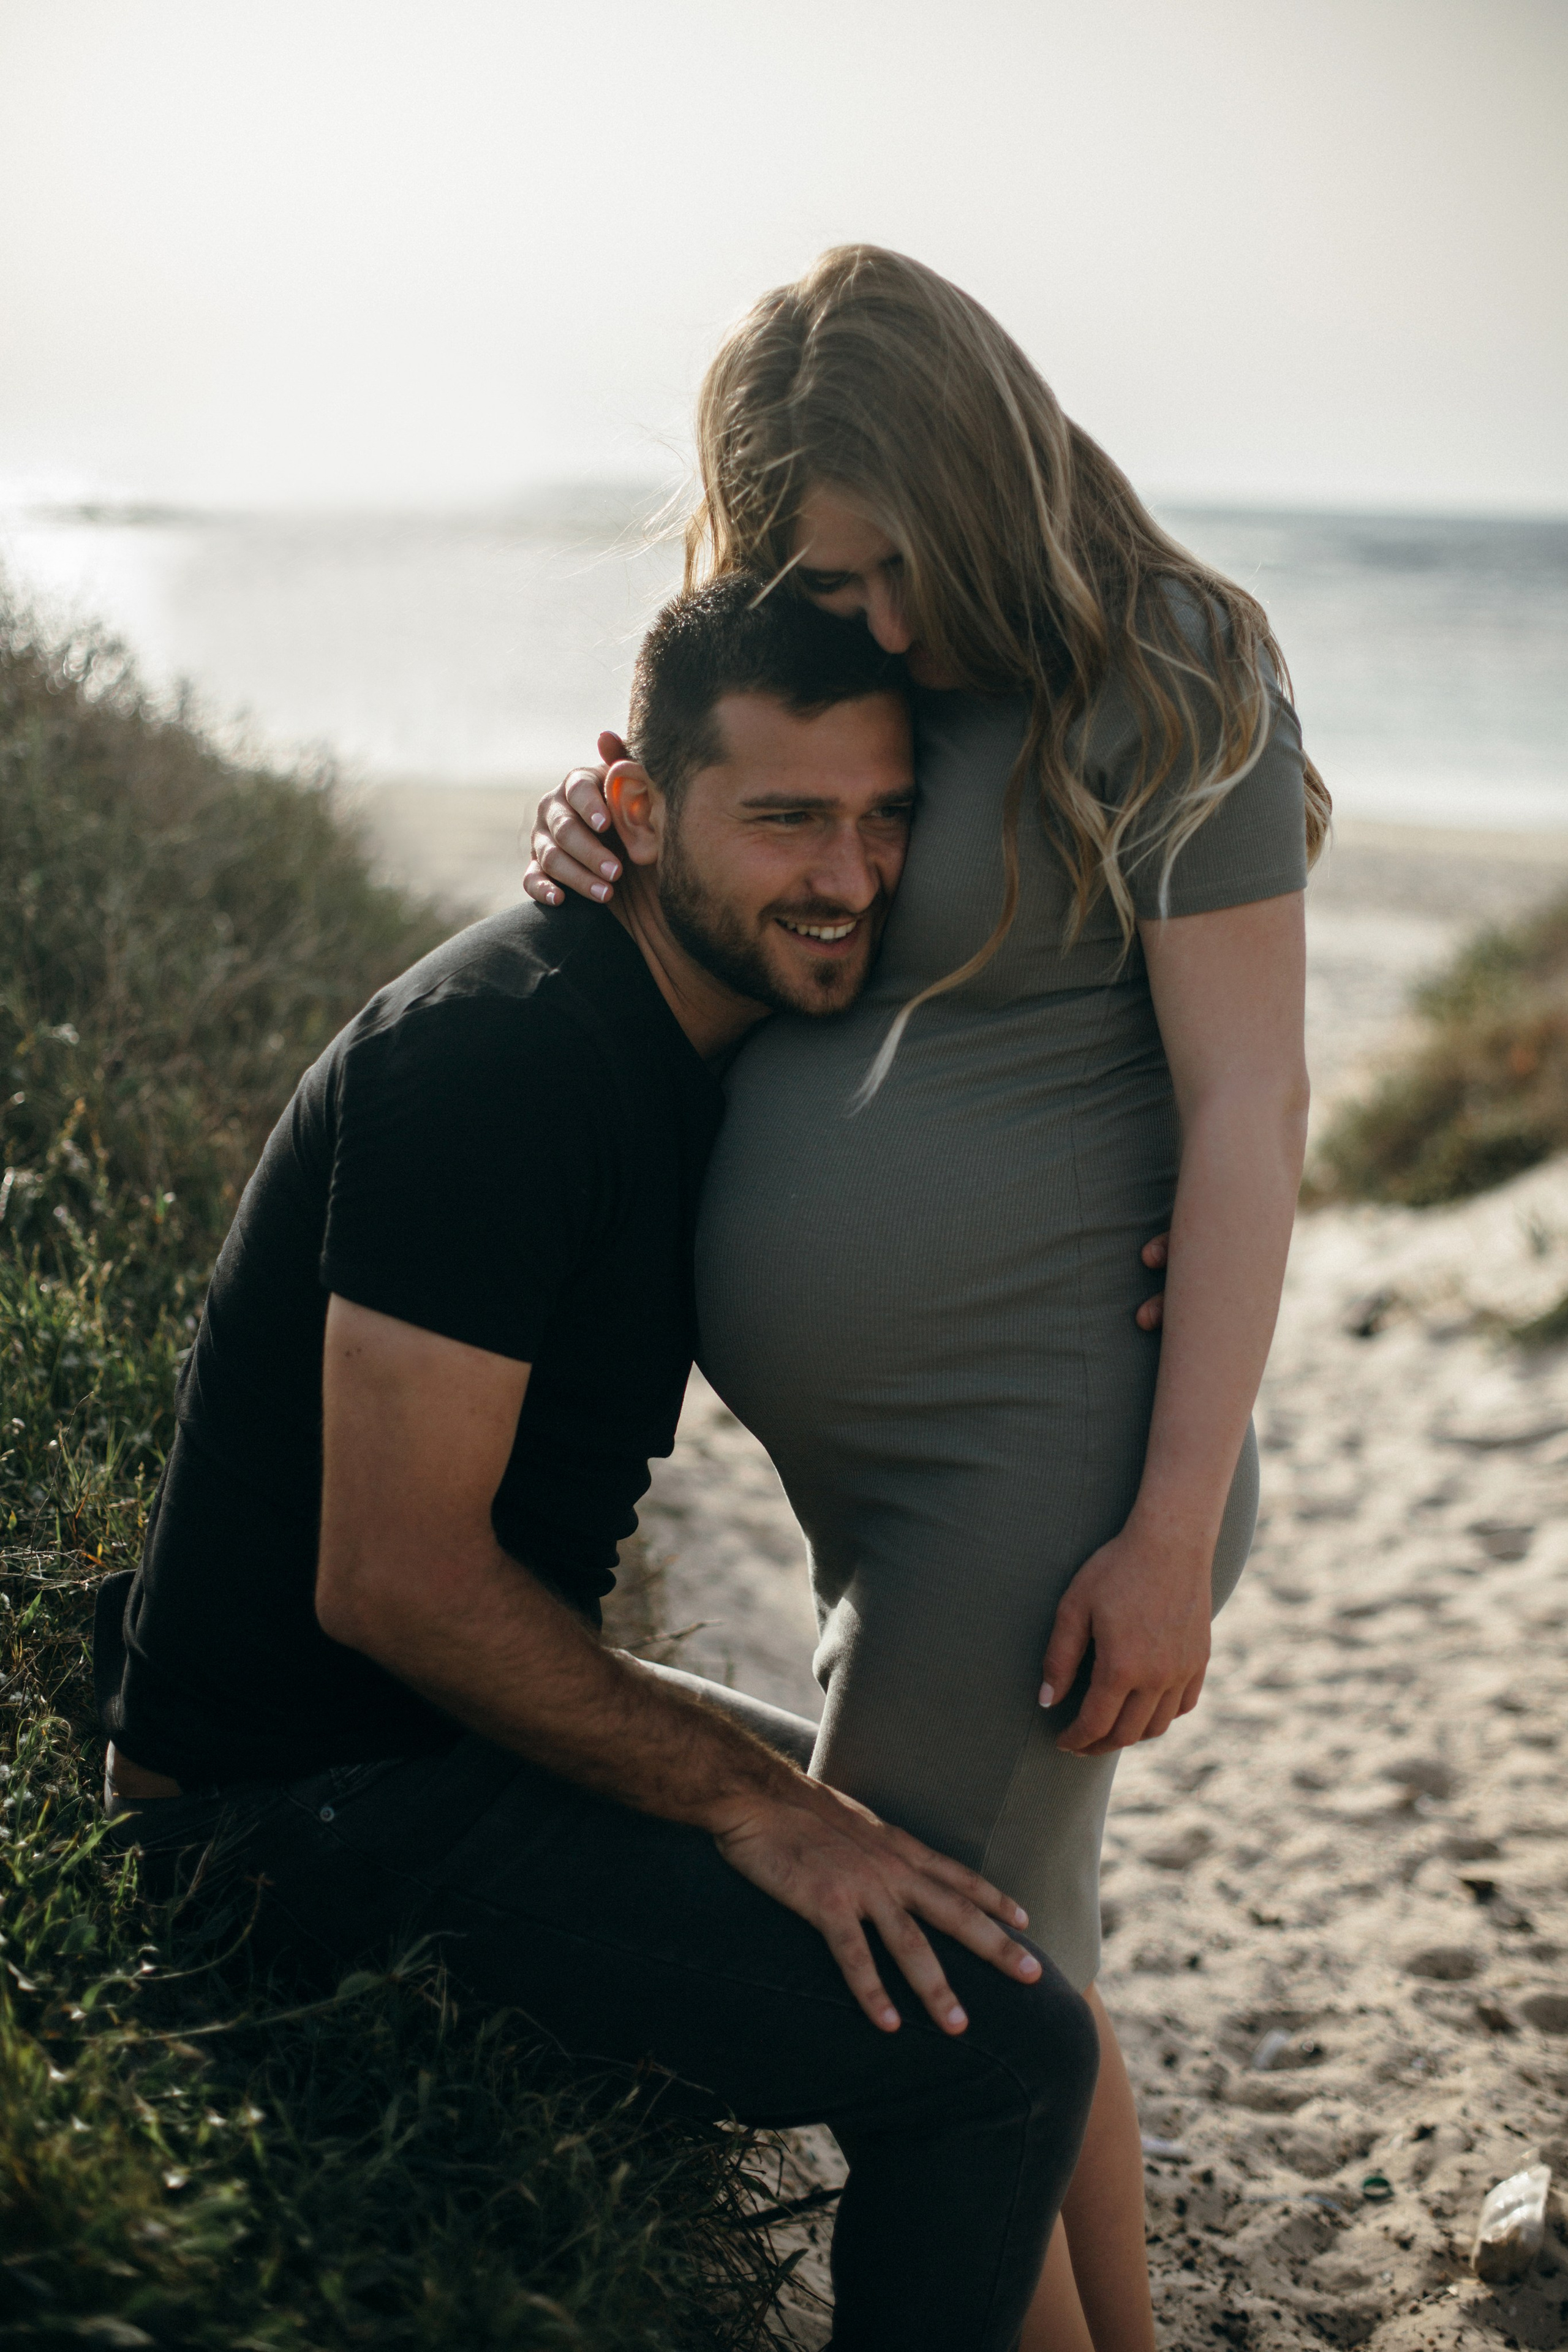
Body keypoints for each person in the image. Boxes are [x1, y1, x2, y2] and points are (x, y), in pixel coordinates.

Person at [92, 578, 1101, 2352]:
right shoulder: (501, 1063)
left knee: (959, 1879)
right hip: (277, 1819)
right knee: (1000, 2053)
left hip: (422, 1743)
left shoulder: (694, 1028)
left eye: (885, 819)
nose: (849, 878)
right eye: (785, 817)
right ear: (637, 803)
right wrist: (755, 1803)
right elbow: (394, 1582)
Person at [526, 245, 1325, 2352]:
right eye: (824, 575)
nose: (871, 616)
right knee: (1017, 1960)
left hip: (1050, 1459)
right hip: (889, 1477)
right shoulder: (860, 678)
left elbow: (1248, 1105)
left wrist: (1171, 1535)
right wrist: (604, 833)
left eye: (895, 565)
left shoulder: (1171, 673)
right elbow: (763, 868)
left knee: (936, 2006)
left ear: (984, 484)